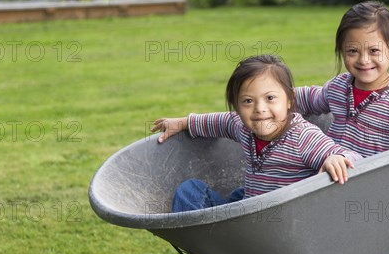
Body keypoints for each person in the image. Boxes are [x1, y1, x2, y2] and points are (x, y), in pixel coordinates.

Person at [152, 54, 362, 212]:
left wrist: (337, 158)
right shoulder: (242, 126)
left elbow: (352, 158)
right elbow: (217, 122)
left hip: (284, 219)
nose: (259, 109)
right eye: (248, 101)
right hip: (252, 208)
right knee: (191, 189)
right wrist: (183, 122)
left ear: (290, 100)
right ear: (236, 106)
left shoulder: (302, 137)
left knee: (242, 198)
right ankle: (211, 238)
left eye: (270, 98)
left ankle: (223, 237)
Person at [295, 1, 389, 158]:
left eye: (374, 50)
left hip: (377, 179)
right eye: (353, 51)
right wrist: (279, 96)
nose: (363, 60)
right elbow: (308, 98)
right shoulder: (339, 86)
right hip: (334, 171)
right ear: (342, 50)